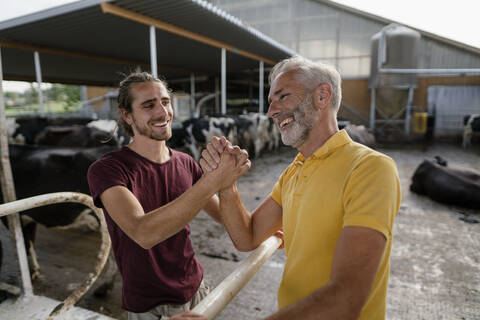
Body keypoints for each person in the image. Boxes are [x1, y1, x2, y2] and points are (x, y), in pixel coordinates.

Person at [193, 56, 402, 320]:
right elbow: (247, 236)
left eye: (282, 96)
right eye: (271, 102)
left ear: (322, 96)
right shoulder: (293, 172)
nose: (271, 112)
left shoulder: (370, 169)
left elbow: (346, 297)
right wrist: (225, 184)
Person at [87, 72, 249, 320]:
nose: (163, 113)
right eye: (149, 105)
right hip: (149, 307)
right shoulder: (107, 169)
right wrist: (213, 181)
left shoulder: (185, 163)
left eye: (165, 101)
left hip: (195, 290)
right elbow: (143, 233)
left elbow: (227, 218)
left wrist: (229, 184)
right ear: (127, 115)